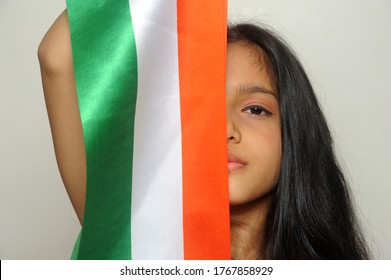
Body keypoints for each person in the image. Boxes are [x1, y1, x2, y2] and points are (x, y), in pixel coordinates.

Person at [38, 10, 369, 259]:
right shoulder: (138, 237)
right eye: (201, 109)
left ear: (294, 133)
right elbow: (57, 56)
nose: (224, 130)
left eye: (256, 109)